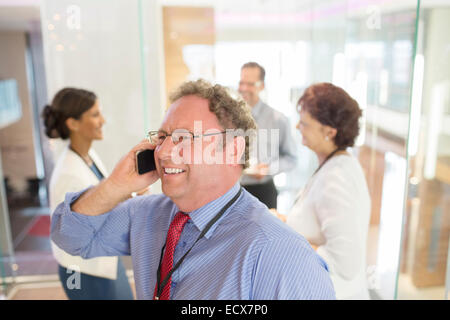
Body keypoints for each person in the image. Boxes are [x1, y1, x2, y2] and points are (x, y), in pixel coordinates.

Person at [50, 79, 335, 300]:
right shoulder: (146, 214)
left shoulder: (280, 253)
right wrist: (115, 185)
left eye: (185, 137)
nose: (163, 152)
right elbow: (70, 236)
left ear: (232, 148)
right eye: (162, 137)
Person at [271, 83, 371, 300]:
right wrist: (284, 221)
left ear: (329, 132)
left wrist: (285, 238)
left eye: (305, 123)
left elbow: (345, 262)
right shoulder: (335, 164)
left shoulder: (337, 178)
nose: (298, 127)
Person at [42, 87, 134, 300]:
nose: (103, 120)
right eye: (95, 115)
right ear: (72, 123)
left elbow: (101, 198)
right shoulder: (68, 174)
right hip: (82, 271)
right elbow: (80, 226)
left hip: (101, 262)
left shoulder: (87, 155)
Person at [238, 62, 297, 209]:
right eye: (241, 83)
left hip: (263, 192)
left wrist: (269, 169)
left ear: (262, 86)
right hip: (234, 191)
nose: (244, 88)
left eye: (250, 84)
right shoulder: (227, 117)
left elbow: (291, 158)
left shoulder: (278, 119)